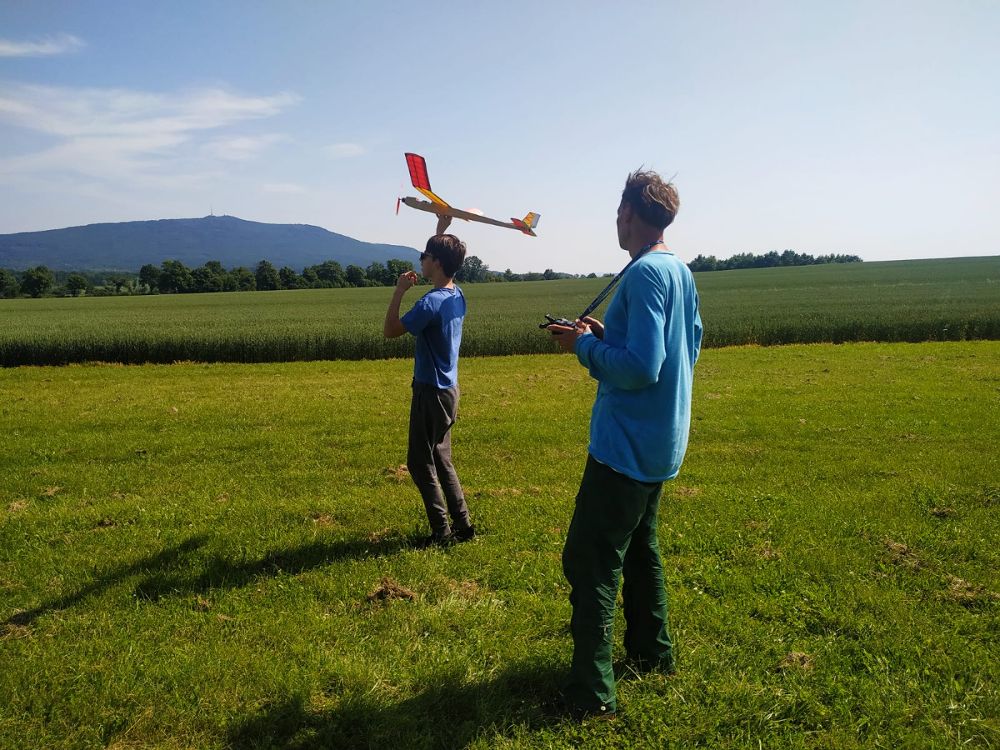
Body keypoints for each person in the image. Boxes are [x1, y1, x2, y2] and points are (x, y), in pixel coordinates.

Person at [546, 169, 702, 719]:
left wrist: (584, 349)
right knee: (639, 548)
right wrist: (606, 335)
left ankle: (591, 695)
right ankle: (652, 654)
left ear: (630, 213)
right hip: (662, 443)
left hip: (625, 448)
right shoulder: (678, 270)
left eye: (619, 210)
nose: (616, 218)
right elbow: (687, 346)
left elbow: (642, 367)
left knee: (590, 559)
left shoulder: (644, 275)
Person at [384, 215, 476, 547]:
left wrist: (399, 291)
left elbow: (390, 331)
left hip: (430, 392)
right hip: (449, 391)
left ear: (436, 262)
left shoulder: (429, 303)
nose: (420, 259)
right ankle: (463, 526)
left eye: (425, 255)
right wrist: (441, 232)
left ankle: (442, 531)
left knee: (419, 463)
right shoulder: (456, 295)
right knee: (441, 457)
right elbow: (445, 266)